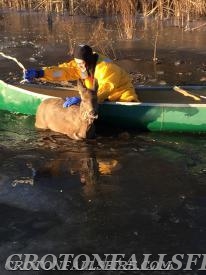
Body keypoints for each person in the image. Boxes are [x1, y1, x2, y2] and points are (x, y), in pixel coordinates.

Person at [24, 44, 139, 106]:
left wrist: (83, 100)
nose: (79, 66)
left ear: (88, 61)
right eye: (77, 63)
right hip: (94, 99)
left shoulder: (106, 68)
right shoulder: (81, 65)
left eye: (81, 63)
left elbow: (106, 89)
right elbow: (63, 71)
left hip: (121, 96)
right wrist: (40, 73)